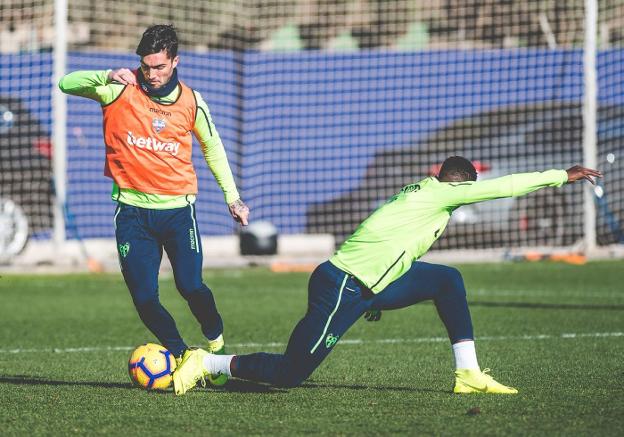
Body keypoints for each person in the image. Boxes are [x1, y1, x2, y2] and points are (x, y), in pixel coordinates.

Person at [172, 157, 601, 395]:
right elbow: (506, 186)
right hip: (341, 285)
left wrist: (377, 293)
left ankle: (467, 373)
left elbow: (385, 241)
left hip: (365, 285)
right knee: (290, 374)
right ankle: (206, 362)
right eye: (468, 189)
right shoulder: (442, 194)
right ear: (461, 184)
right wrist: (562, 176)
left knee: (446, 280)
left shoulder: (425, 190)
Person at [58, 25, 249, 383]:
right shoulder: (118, 88)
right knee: (145, 298)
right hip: (131, 213)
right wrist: (105, 73)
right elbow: (66, 83)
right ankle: (184, 356)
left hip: (178, 212)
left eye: (160, 66)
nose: (152, 73)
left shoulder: (192, 101)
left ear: (175, 61)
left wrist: (232, 197)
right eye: (146, 66)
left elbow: (213, 148)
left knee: (191, 286)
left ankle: (216, 341)